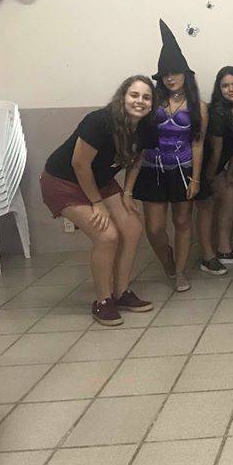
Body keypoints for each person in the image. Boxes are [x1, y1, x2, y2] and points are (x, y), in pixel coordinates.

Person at [41, 76, 155, 326]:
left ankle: (121, 293)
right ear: (122, 97)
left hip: (99, 180)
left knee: (132, 227)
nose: (140, 101)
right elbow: (80, 164)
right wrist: (97, 203)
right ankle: (103, 301)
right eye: (134, 95)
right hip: (63, 181)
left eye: (146, 97)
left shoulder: (146, 126)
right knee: (107, 236)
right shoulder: (99, 121)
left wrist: (128, 192)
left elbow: (137, 159)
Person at [133, 20, 209, 293]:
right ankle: (168, 263)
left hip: (183, 169)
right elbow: (139, 138)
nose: (169, 78)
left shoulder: (199, 106)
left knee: (182, 222)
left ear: (185, 74)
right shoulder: (151, 101)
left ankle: (180, 272)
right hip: (152, 169)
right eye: (165, 74)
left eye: (175, 72)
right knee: (154, 228)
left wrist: (196, 179)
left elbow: (198, 144)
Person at [195, 67, 233, 275]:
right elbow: (215, 151)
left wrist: (229, 173)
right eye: (225, 86)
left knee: (232, 194)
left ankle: (224, 250)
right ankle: (207, 257)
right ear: (219, 89)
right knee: (207, 205)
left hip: (218, 166)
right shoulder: (217, 113)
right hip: (201, 166)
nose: (230, 89)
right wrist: (211, 178)